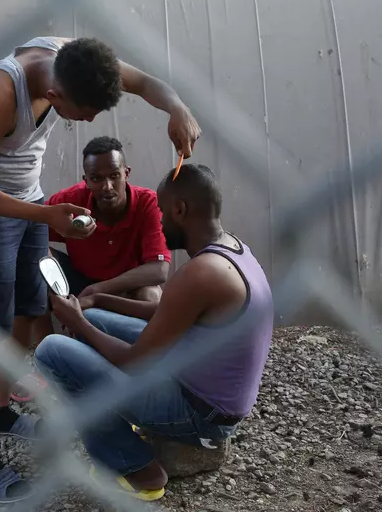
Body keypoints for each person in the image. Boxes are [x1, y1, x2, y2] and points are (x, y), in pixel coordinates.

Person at [0, 35, 201, 503]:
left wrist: (177, 107)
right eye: (84, 113)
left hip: (28, 198)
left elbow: (144, 81)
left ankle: (2, 411)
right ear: (56, 95)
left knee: (27, 310)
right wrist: (47, 216)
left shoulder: (75, 58)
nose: (87, 122)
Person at [35, 164, 274, 501]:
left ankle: (136, 466)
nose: (159, 221)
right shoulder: (230, 249)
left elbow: (135, 362)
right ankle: (129, 417)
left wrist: (77, 323)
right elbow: (167, 312)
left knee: (52, 351)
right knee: (100, 317)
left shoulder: (203, 272)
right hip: (195, 381)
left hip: (200, 416)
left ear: (180, 210)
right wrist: (98, 300)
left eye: (163, 212)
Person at [46, 135, 171, 321]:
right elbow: (29, 232)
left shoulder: (148, 203)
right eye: (96, 178)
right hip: (79, 282)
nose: (107, 186)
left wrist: (97, 292)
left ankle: (141, 348)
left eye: (114, 176)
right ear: (86, 180)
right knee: (35, 256)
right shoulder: (70, 201)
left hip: (126, 289)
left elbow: (159, 270)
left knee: (151, 296)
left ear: (126, 174)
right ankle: (41, 343)